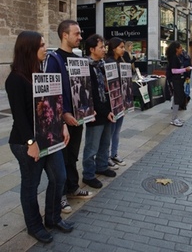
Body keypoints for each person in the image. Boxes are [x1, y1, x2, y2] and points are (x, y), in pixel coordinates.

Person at [5, 31, 73, 244]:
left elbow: (53, 104)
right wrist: (30, 143)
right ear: (29, 49)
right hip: (26, 141)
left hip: (49, 137)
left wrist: (62, 125)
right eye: (42, 45)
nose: (46, 49)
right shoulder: (15, 79)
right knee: (31, 184)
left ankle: (53, 218)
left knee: (59, 177)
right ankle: (34, 226)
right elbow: (20, 117)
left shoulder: (40, 72)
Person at [45, 20, 93, 214]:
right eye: (77, 33)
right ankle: (61, 195)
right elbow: (50, 92)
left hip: (78, 117)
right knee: (62, 158)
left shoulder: (77, 60)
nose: (80, 37)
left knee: (72, 155)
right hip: (62, 120)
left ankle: (72, 187)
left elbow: (83, 89)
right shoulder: (54, 59)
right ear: (65, 35)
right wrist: (63, 113)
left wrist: (89, 108)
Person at [82, 34, 116, 189]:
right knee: (92, 146)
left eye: (104, 47)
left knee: (105, 142)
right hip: (95, 113)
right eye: (101, 47)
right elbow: (91, 94)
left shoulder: (103, 65)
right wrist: (103, 111)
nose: (104, 50)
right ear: (91, 49)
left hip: (108, 109)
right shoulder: (85, 68)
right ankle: (88, 175)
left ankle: (102, 166)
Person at [105, 37, 127, 168]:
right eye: (121, 47)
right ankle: (107, 155)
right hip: (113, 101)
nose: (123, 50)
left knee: (117, 130)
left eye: (124, 47)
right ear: (114, 48)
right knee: (111, 130)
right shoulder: (109, 63)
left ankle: (114, 153)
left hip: (121, 100)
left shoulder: (122, 61)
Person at [166, 41, 191, 127]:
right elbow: (174, 70)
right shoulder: (174, 58)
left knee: (177, 98)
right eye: (180, 48)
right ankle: (174, 119)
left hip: (178, 80)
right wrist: (185, 70)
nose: (182, 49)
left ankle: (175, 117)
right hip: (175, 80)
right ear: (176, 49)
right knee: (177, 98)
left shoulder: (178, 57)